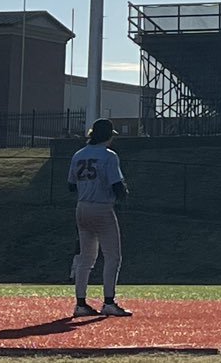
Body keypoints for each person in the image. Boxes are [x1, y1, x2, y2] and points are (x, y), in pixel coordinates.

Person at [66, 118, 132, 317]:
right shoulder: (109, 156)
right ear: (107, 136)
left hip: (82, 206)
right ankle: (109, 302)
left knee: (86, 258)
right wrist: (123, 197)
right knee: (113, 256)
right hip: (102, 207)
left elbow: (71, 185)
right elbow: (117, 185)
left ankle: (80, 303)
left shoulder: (78, 155)